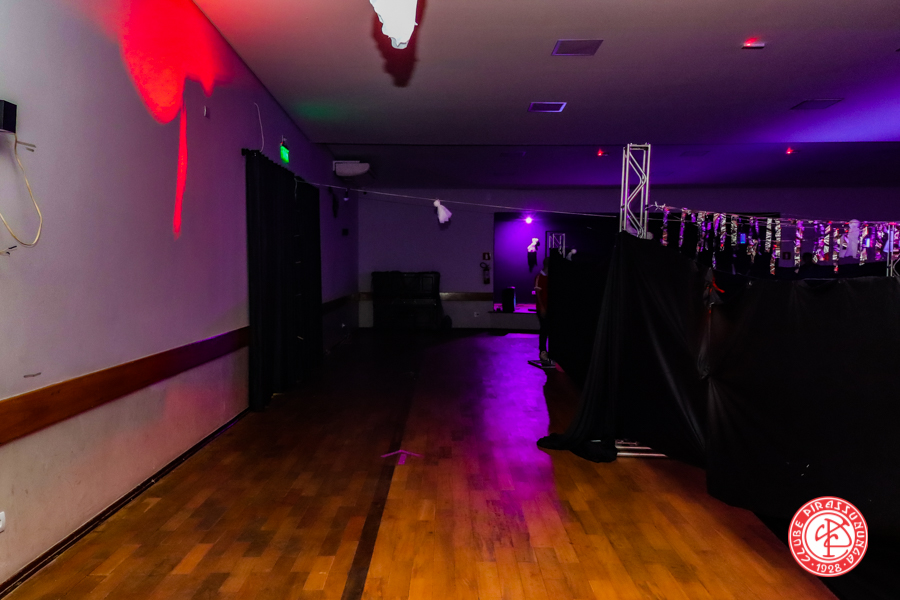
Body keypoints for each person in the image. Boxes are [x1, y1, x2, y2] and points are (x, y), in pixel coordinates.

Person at [534, 257, 552, 364]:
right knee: (544, 329)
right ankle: (542, 351)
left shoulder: (550, 277)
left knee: (549, 329)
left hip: (549, 307)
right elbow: (538, 294)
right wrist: (542, 308)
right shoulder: (539, 277)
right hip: (543, 308)